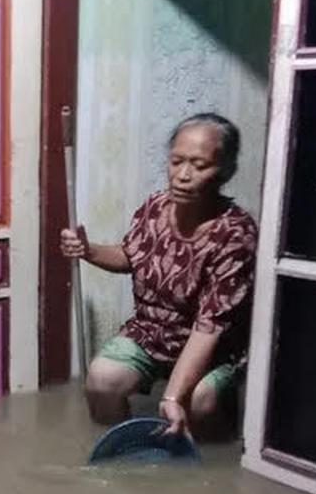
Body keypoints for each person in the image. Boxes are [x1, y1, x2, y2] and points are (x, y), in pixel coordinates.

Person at [60, 113, 257, 439]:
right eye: (176, 161)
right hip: (152, 334)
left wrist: (172, 396)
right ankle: (126, 451)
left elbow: (208, 328)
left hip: (214, 348)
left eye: (199, 165)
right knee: (101, 380)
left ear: (225, 172)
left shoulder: (236, 234)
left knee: (201, 402)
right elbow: (130, 256)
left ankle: (205, 461)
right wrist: (87, 249)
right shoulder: (155, 206)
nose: (183, 175)